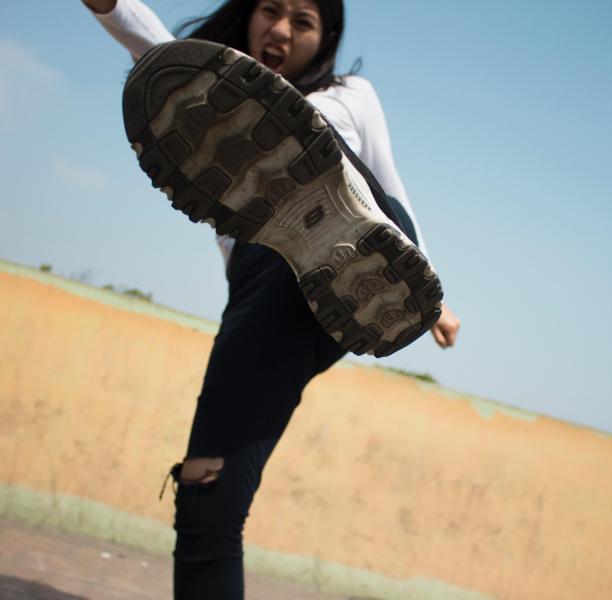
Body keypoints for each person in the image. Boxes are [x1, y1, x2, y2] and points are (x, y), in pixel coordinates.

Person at [83, 1, 461, 597]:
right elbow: (165, 59)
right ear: (250, 14)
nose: (281, 30)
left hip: (365, 254)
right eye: (271, 11)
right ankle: (311, 210)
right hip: (266, 299)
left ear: (325, 38)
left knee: (330, 155)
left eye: (302, 21)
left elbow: (393, 183)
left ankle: (334, 206)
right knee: (207, 491)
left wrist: (431, 288)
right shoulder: (214, 92)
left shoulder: (351, 94)